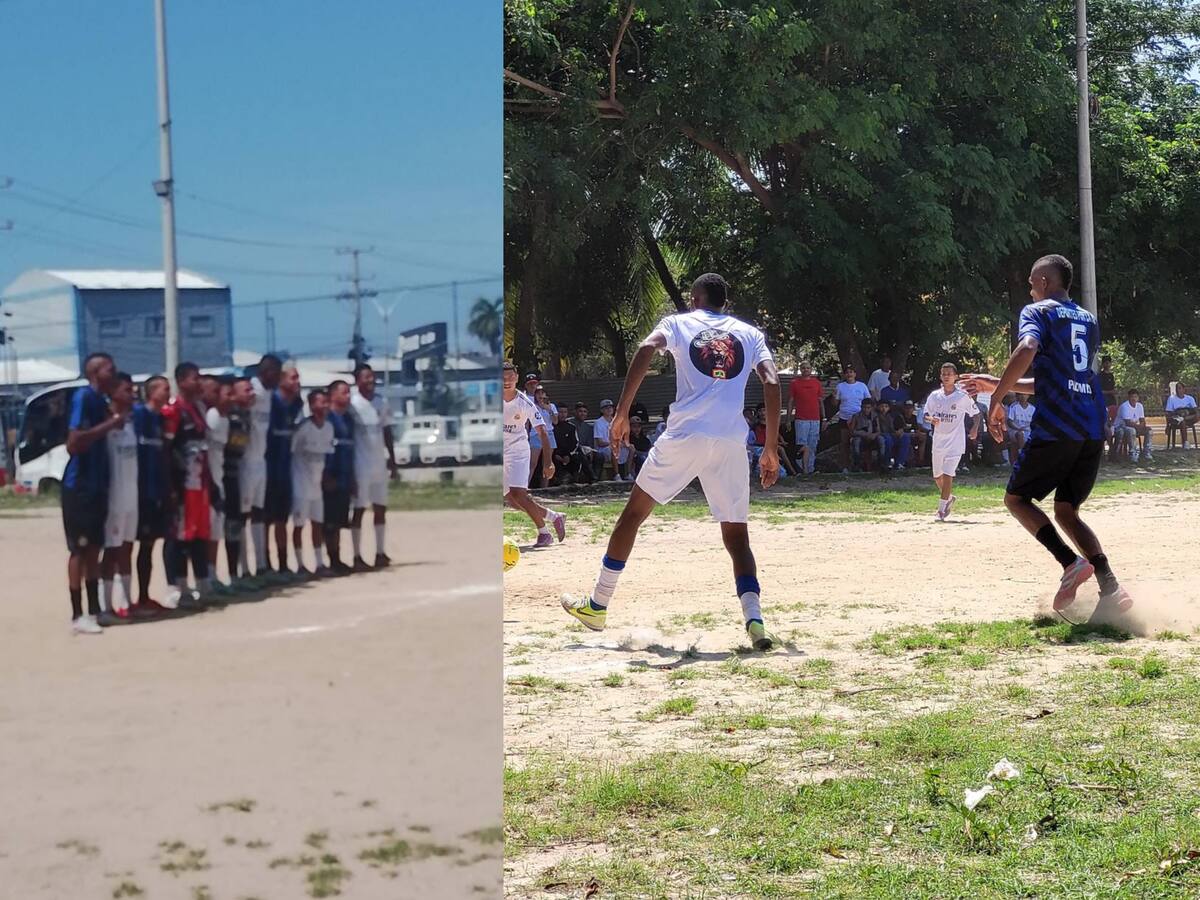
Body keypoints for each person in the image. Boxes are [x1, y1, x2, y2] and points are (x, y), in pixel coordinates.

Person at [560, 273, 782, 651]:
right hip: (730, 439)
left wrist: (622, 411)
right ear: (724, 303)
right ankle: (755, 621)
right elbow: (772, 382)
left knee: (633, 514)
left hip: (685, 435)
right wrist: (771, 448)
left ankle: (598, 605)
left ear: (694, 299)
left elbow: (646, 349)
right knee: (736, 536)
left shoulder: (678, 323)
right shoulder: (749, 333)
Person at [961, 254, 1131, 613]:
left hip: (1058, 425)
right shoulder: (1088, 320)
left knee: (1017, 499)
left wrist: (997, 398)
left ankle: (1070, 564)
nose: (1029, 289)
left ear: (1043, 282)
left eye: (1030, 282)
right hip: (1091, 427)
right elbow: (1057, 379)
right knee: (1067, 511)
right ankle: (1111, 587)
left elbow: (1027, 348)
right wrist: (998, 383)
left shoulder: (1037, 312)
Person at [62, 353, 125, 634]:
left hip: (97, 485)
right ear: (96, 372)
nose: (115, 373)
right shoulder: (83, 397)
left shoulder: (100, 401)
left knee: (94, 549)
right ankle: (77, 615)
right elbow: (74, 443)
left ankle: (95, 610)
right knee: (79, 548)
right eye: (110, 369)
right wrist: (110, 424)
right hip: (80, 486)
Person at [162, 362, 213, 606]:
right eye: (195, 378)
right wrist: (171, 484)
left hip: (199, 482)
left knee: (199, 533)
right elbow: (167, 449)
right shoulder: (173, 410)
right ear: (181, 381)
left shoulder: (199, 408)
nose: (199, 382)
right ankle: (177, 586)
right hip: (181, 483)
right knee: (179, 536)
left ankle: (203, 583)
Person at [502, 362, 566, 547]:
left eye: (510, 377)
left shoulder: (525, 403)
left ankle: (544, 533)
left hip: (518, 452)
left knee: (519, 494)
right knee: (512, 501)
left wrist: (548, 462)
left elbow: (543, 433)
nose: (507, 381)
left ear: (516, 378)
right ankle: (554, 517)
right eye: (503, 378)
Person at [349, 362, 397, 571]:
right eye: (365, 377)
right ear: (357, 380)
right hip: (360, 463)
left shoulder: (381, 402)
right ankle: (357, 555)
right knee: (359, 509)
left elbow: (387, 432)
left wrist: (392, 460)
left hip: (378, 462)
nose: (370, 380)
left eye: (372, 376)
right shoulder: (352, 404)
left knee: (380, 508)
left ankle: (380, 552)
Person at [99, 372, 138, 625]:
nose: (132, 394)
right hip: (114, 497)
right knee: (111, 551)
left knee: (127, 548)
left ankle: (127, 601)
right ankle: (105, 605)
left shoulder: (132, 422)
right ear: (112, 392)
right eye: (126, 390)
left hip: (131, 495)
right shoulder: (105, 423)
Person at [133, 375, 171, 617]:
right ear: (151, 392)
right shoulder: (139, 416)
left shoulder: (159, 419)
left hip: (156, 490)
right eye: (164, 389)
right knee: (134, 546)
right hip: (140, 491)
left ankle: (145, 596)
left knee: (149, 545)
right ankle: (135, 597)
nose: (168, 393)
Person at [923, 362, 978, 521]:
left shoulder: (962, 396)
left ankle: (941, 511)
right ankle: (948, 498)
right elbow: (926, 413)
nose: (946, 376)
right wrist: (930, 419)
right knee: (937, 477)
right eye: (943, 373)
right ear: (940, 376)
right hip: (939, 441)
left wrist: (974, 428)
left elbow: (976, 414)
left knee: (948, 475)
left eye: (949, 374)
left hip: (956, 442)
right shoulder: (935, 396)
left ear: (955, 377)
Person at [244, 354, 281, 582]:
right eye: (276, 374)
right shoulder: (252, 390)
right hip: (246, 460)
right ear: (265, 372)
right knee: (243, 514)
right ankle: (243, 568)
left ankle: (261, 563)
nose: (278, 379)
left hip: (261, 460)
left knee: (259, 512)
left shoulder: (268, 395)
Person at [265, 361, 304, 577]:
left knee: (282, 519)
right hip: (269, 467)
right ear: (281, 380)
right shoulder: (272, 402)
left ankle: (282, 563)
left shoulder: (296, 404)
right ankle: (266, 563)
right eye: (293, 377)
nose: (297, 382)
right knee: (266, 520)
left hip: (286, 468)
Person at [291, 388, 335, 577]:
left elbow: (326, 455)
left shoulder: (329, 428)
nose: (324, 406)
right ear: (311, 405)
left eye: (326, 402)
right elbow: (291, 452)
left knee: (317, 524)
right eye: (320, 402)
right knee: (299, 525)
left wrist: (326, 478)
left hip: (316, 486)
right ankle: (300, 564)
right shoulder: (303, 428)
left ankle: (318, 563)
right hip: (300, 483)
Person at [204, 377, 237, 596]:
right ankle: (203, 578)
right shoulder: (210, 417)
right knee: (205, 533)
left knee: (216, 532)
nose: (231, 398)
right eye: (227, 394)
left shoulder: (225, 420)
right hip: (206, 483)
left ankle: (213, 574)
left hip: (219, 480)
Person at [222, 376, 254, 589]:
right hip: (223, 475)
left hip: (237, 475)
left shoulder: (245, 415)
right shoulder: (229, 416)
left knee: (237, 523)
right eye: (246, 389)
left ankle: (238, 572)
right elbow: (231, 445)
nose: (251, 393)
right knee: (223, 526)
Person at [323, 379, 357, 575]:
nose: (348, 396)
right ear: (333, 395)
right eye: (344, 392)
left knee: (339, 520)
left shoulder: (349, 420)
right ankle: (330, 558)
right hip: (331, 476)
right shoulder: (328, 419)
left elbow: (350, 451)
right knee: (328, 522)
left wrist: (352, 478)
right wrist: (326, 475)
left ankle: (338, 557)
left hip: (344, 475)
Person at [787, 361, 824, 475]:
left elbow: (820, 401)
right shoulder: (795, 383)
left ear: (811, 369)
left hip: (815, 418)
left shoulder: (817, 383)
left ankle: (810, 468)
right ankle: (801, 469)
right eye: (803, 368)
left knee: (813, 443)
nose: (806, 370)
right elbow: (791, 401)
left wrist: (825, 417)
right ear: (800, 369)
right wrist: (788, 419)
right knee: (801, 444)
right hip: (801, 419)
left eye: (808, 368)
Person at [832, 365, 871, 473]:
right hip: (844, 417)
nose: (849, 374)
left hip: (860, 419)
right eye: (847, 372)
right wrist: (834, 396)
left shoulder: (862, 386)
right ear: (844, 375)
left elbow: (868, 401)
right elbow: (835, 403)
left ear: (855, 374)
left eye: (851, 372)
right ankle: (845, 466)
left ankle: (863, 465)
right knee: (844, 443)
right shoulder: (840, 386)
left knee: (862, 442)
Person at [594, 399, 632, 480]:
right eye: (606, 408)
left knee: (631, 448)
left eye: (610, 407)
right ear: (602, 410)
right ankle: (616, 474)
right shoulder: (598, 422)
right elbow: (599, 442)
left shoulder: (616, 421)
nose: (609, 409)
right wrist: (614, 444)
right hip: (603, 449)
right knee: (613, 449)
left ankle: (628, 473)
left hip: (616, 444)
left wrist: (624, 443)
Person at [1116, 389, 1153, 463]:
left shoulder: (1140, 406)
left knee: (1149, 431)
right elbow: (1127, 423)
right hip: (1121, 427)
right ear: (1128, 397)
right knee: (1132, 430)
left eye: (1135, 397)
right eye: (1132, 397)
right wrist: (1139, 427)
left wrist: (1142, 427)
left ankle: (1147, 453)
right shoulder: (1124, 406)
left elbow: (1142, 420)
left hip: (1135, 426)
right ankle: (1133, 454)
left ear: (1138, 398)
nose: (1134, 399)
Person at [850, 397, 885, 471]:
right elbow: (852, 431)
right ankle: (857, 465)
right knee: (856, 441)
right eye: (864, 407)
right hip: (861, 437)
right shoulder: (856, 416)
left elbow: (879, 430)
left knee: (881, 440)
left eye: (868, 408)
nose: (866, 409)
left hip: (872, 437)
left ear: (871, 408)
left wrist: (874, 435)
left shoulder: (875, 416)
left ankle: (881, 463)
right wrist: (863, 434)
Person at [875, 398, 911, 470]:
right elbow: (878, 430)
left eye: (886, 406)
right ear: (878, 407)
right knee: (888, 439)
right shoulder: (875, 416)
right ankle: (887, 463)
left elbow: (901, 427)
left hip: (893, 434)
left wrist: (900, 431)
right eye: (882, 406)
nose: (884, 408)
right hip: (881, 435)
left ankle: (899, 463)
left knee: (905, 437)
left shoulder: (892, 415)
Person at [1165, 382, 1197, 449]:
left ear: (1184, 389)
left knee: (1197, 415)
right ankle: (1185, 442)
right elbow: (1168, 412)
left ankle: (1184, 418)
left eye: (1179, 388)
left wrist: (1187, 413)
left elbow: (1195, 410)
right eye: (1176, 388)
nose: (1178, 390)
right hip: (1176, 418)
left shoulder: (1190, 398)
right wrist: (1167, 425)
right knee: (1182, 421)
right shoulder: (1171, 398)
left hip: (1189, 418)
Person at [1006, 393, 1036, 463]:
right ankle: (1023, 457)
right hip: (1015, 430)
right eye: (1021, 394)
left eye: (1025, 394)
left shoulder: (1032, 408)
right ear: (1017, 396)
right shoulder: (1014, 407)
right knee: (1020, 434)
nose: (1023, 396)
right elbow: (1010, 422)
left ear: (1028, 395)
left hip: (1029, 430)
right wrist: (1019, 428)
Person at [900, 400, 928, 467]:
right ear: (904, 408)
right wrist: (911, 434)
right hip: (903, 437)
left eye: (910, 408)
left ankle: (920, 460)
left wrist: (920, 434)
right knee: (907, 439)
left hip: (912, 435)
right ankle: (907, 462)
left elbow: (916, 430)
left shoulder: (913, 417)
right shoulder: (900, 417)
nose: (909, 410)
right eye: (907, 408)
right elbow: (899, 432)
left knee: (923, 437)